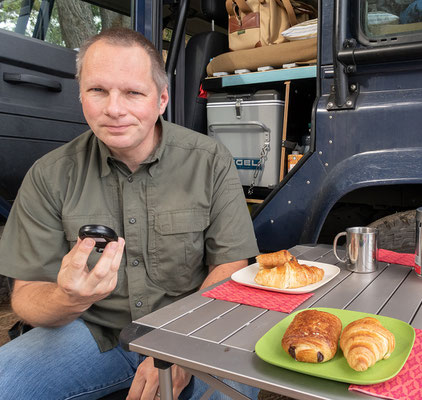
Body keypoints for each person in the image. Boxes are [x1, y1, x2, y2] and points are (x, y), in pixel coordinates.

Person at [0, 27, 259, 400]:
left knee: (229, 391)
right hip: (95, 332)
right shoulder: (49, 174)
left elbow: (231, 266)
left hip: (193, 329)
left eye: (133, 92)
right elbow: (25, 297)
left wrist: (177, 347)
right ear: (81, 95)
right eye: (98, 90)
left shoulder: (210, 160)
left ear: (161, 100)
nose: (114, 109)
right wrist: (68, 298)